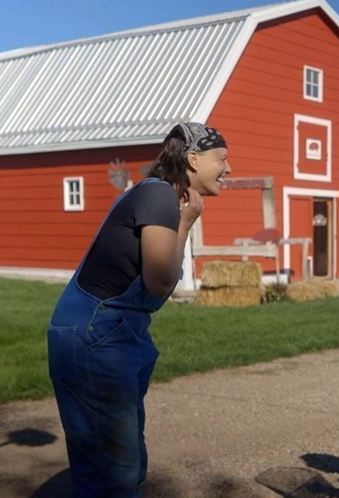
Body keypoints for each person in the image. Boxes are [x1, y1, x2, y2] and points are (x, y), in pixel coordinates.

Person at [46, 122, 231, 497]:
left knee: (115, 460)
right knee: (112, 471)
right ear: (193, 160)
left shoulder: (156, 194)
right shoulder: (160, 195)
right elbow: (160, 283)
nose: (228, 168)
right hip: (97, 334)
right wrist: (186, 221)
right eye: (222, 159)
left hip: (109, 331)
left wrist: (185, 220)